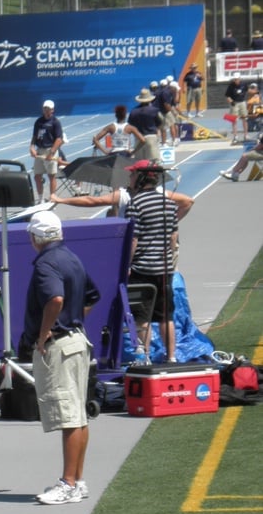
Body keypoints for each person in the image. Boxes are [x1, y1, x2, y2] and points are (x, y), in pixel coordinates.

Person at [20, 210, 99, 505]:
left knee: (68, 417)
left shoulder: (46, 264)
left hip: (62, 346)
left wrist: (44, 333)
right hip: (77, 341)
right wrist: (74, 319)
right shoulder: (71, 257)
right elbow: (92, 295)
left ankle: (67, 483)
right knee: (77, 416)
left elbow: (55, 299)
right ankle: (77, 481)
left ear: (35, 238)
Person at [125, 161, 180, 363]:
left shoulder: (135, 203)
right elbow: (174, 237)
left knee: (142, 317)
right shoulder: (169, 203)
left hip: (142, 270)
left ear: (140, 178)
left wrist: (126, 265)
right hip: (165, 269)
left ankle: (146, 357)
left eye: (131, 175)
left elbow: (133, 239)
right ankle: (171, 357)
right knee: (166, 315)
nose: (129, 179)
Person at [51, 158, 193, 220]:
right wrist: (172, 222)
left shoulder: (124, 196)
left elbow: (92, 200)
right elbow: (188, 201)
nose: (129, 176)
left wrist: (62, 200)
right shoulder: (162, 193)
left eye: (132, 173)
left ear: (140, 178)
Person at [29, 99, 63, 203]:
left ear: (52, 110)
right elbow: (34, 136)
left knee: (51, 176)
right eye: (45, 108)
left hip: (50, 150)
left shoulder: (55, 122)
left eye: (48, 109)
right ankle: (40, 198)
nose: (46, 110)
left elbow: (59, 139)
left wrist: (52, 152)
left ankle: (52, 198)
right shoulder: (38, 122)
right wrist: (32, 147)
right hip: (40, 150)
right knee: (37, 175)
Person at [128, 88, 162, 162]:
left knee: (140, 162)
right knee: (154, 162)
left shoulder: (133, 111)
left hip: (138, 138)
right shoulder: (154, 110)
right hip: (151, 137)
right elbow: (160, 123)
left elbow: (130, 125)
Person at [225, 74, 249, 144]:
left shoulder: (244, 84)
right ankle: (235, 136)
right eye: (235, 79)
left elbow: (247, 91)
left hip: (242, 102)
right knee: (234, 120)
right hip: (234, 103)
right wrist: (231, 101)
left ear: (239, 79)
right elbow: (227, 96)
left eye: (237, 79)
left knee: (245, 119)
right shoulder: (231, 85)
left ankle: (246, 135)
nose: (236, 81)